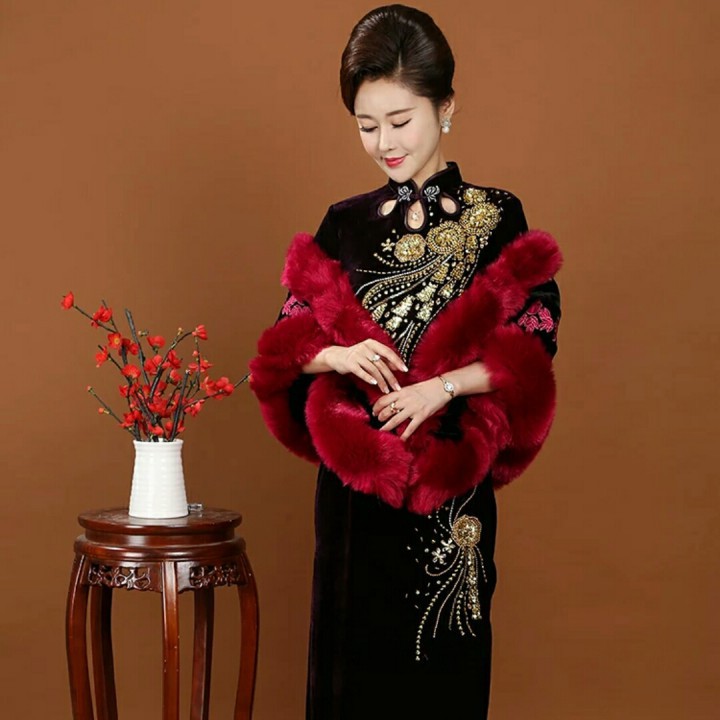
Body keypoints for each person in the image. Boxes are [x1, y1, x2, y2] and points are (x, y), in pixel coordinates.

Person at [250, 5, 562, 718]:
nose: (384, 143)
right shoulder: (343, 223)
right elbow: (285, 343)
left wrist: (440, 389)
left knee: (441, 684)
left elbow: (534, 342)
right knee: (348, 687)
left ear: (445, 107)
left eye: (400, 121)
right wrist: (338, 352)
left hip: (447, 496)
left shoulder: (497, 215)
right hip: (354, 502)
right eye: (367, 126)